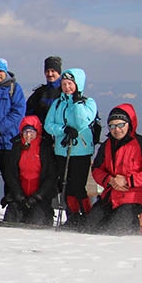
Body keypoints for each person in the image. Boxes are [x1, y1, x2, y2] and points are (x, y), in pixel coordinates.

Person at [88, 105, 142, 235]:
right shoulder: (107, 146)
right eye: (112, 126)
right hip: (110, 197)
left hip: (132, 199)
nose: (116, 129)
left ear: (130, 124)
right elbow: (96, 169)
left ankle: (137, 221)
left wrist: (128, 180)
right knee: (88, 228)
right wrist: (109, 180)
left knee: (114, 231)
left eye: (120, 125)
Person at [43, 68, 98, 231]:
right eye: (64, 84)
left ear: (78, 84)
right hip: (62, 150)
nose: (67, 87)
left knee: (78, 186)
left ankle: (85, 216)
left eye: (70, 84)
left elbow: (82, 122)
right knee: (65, 185)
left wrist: (77, 102)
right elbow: (48, 125)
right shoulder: (57, 103)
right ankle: (72, 216)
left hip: (80, 151)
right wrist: (63, 130)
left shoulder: (88, 103)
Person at [0, 116, 58, 226]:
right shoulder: (16, 146)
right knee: (10, 221)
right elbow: (10, 173)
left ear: (37, 132)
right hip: (20, 195)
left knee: (35, 222)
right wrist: (18, 194)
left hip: (39, 197)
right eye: (25, 132)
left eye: (31, 132)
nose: (28, 135)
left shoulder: (45, 148)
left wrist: (38, 196)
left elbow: (51, 175)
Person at [26, 56, 63, 122]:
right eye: (47, 71)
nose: (50, 74)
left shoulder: (65, 91)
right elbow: (28, 113)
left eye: (53, 71)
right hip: (42, 127)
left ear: (59, 72)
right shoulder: (39, 93)